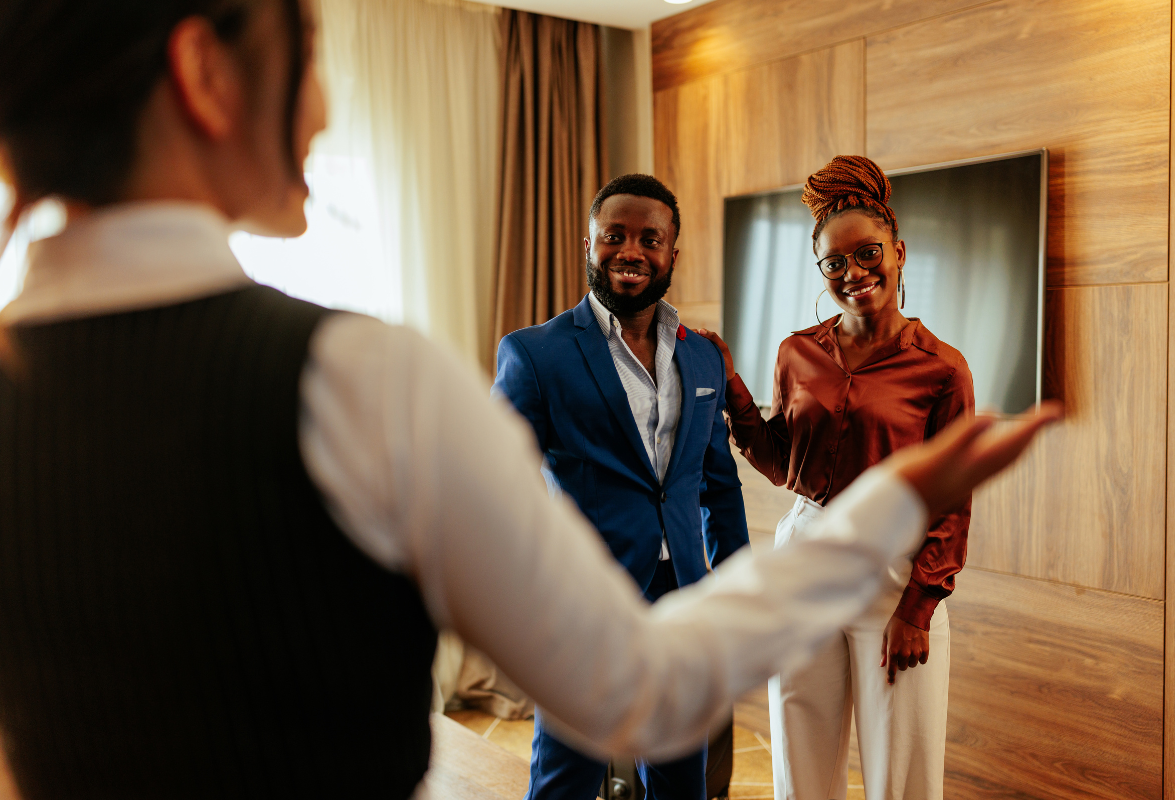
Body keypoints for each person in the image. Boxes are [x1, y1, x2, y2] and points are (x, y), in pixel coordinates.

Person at [0, 2, 1059, 797]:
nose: (321, 109)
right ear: (204, 72)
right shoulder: (364, 379)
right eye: (312, 55)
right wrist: (887, 502)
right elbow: (631, 679)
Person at [699, 155, 973, 800]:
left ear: (899, 252)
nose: (853, 273)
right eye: (834, 263)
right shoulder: (796, 352)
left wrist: (919, 607)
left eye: (868, 254)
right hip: (808, 553)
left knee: (900, 773)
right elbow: (784, 463)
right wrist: (733, 388)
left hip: (894, 567)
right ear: (821, 271)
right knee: (799, 752)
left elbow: (952, 500)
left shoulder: (943, 370)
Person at [493, 173, 749, 800]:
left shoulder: (703, 357)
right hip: (585, 602)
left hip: (684, 599)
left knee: (681, 779)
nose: (630, 251)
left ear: (671, 254)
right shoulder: (535, 354)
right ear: (590, 245)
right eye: (614, 236)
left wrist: (738, 590)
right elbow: (496, 485)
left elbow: (718, 485)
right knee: (567, 778)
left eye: (648, 239)